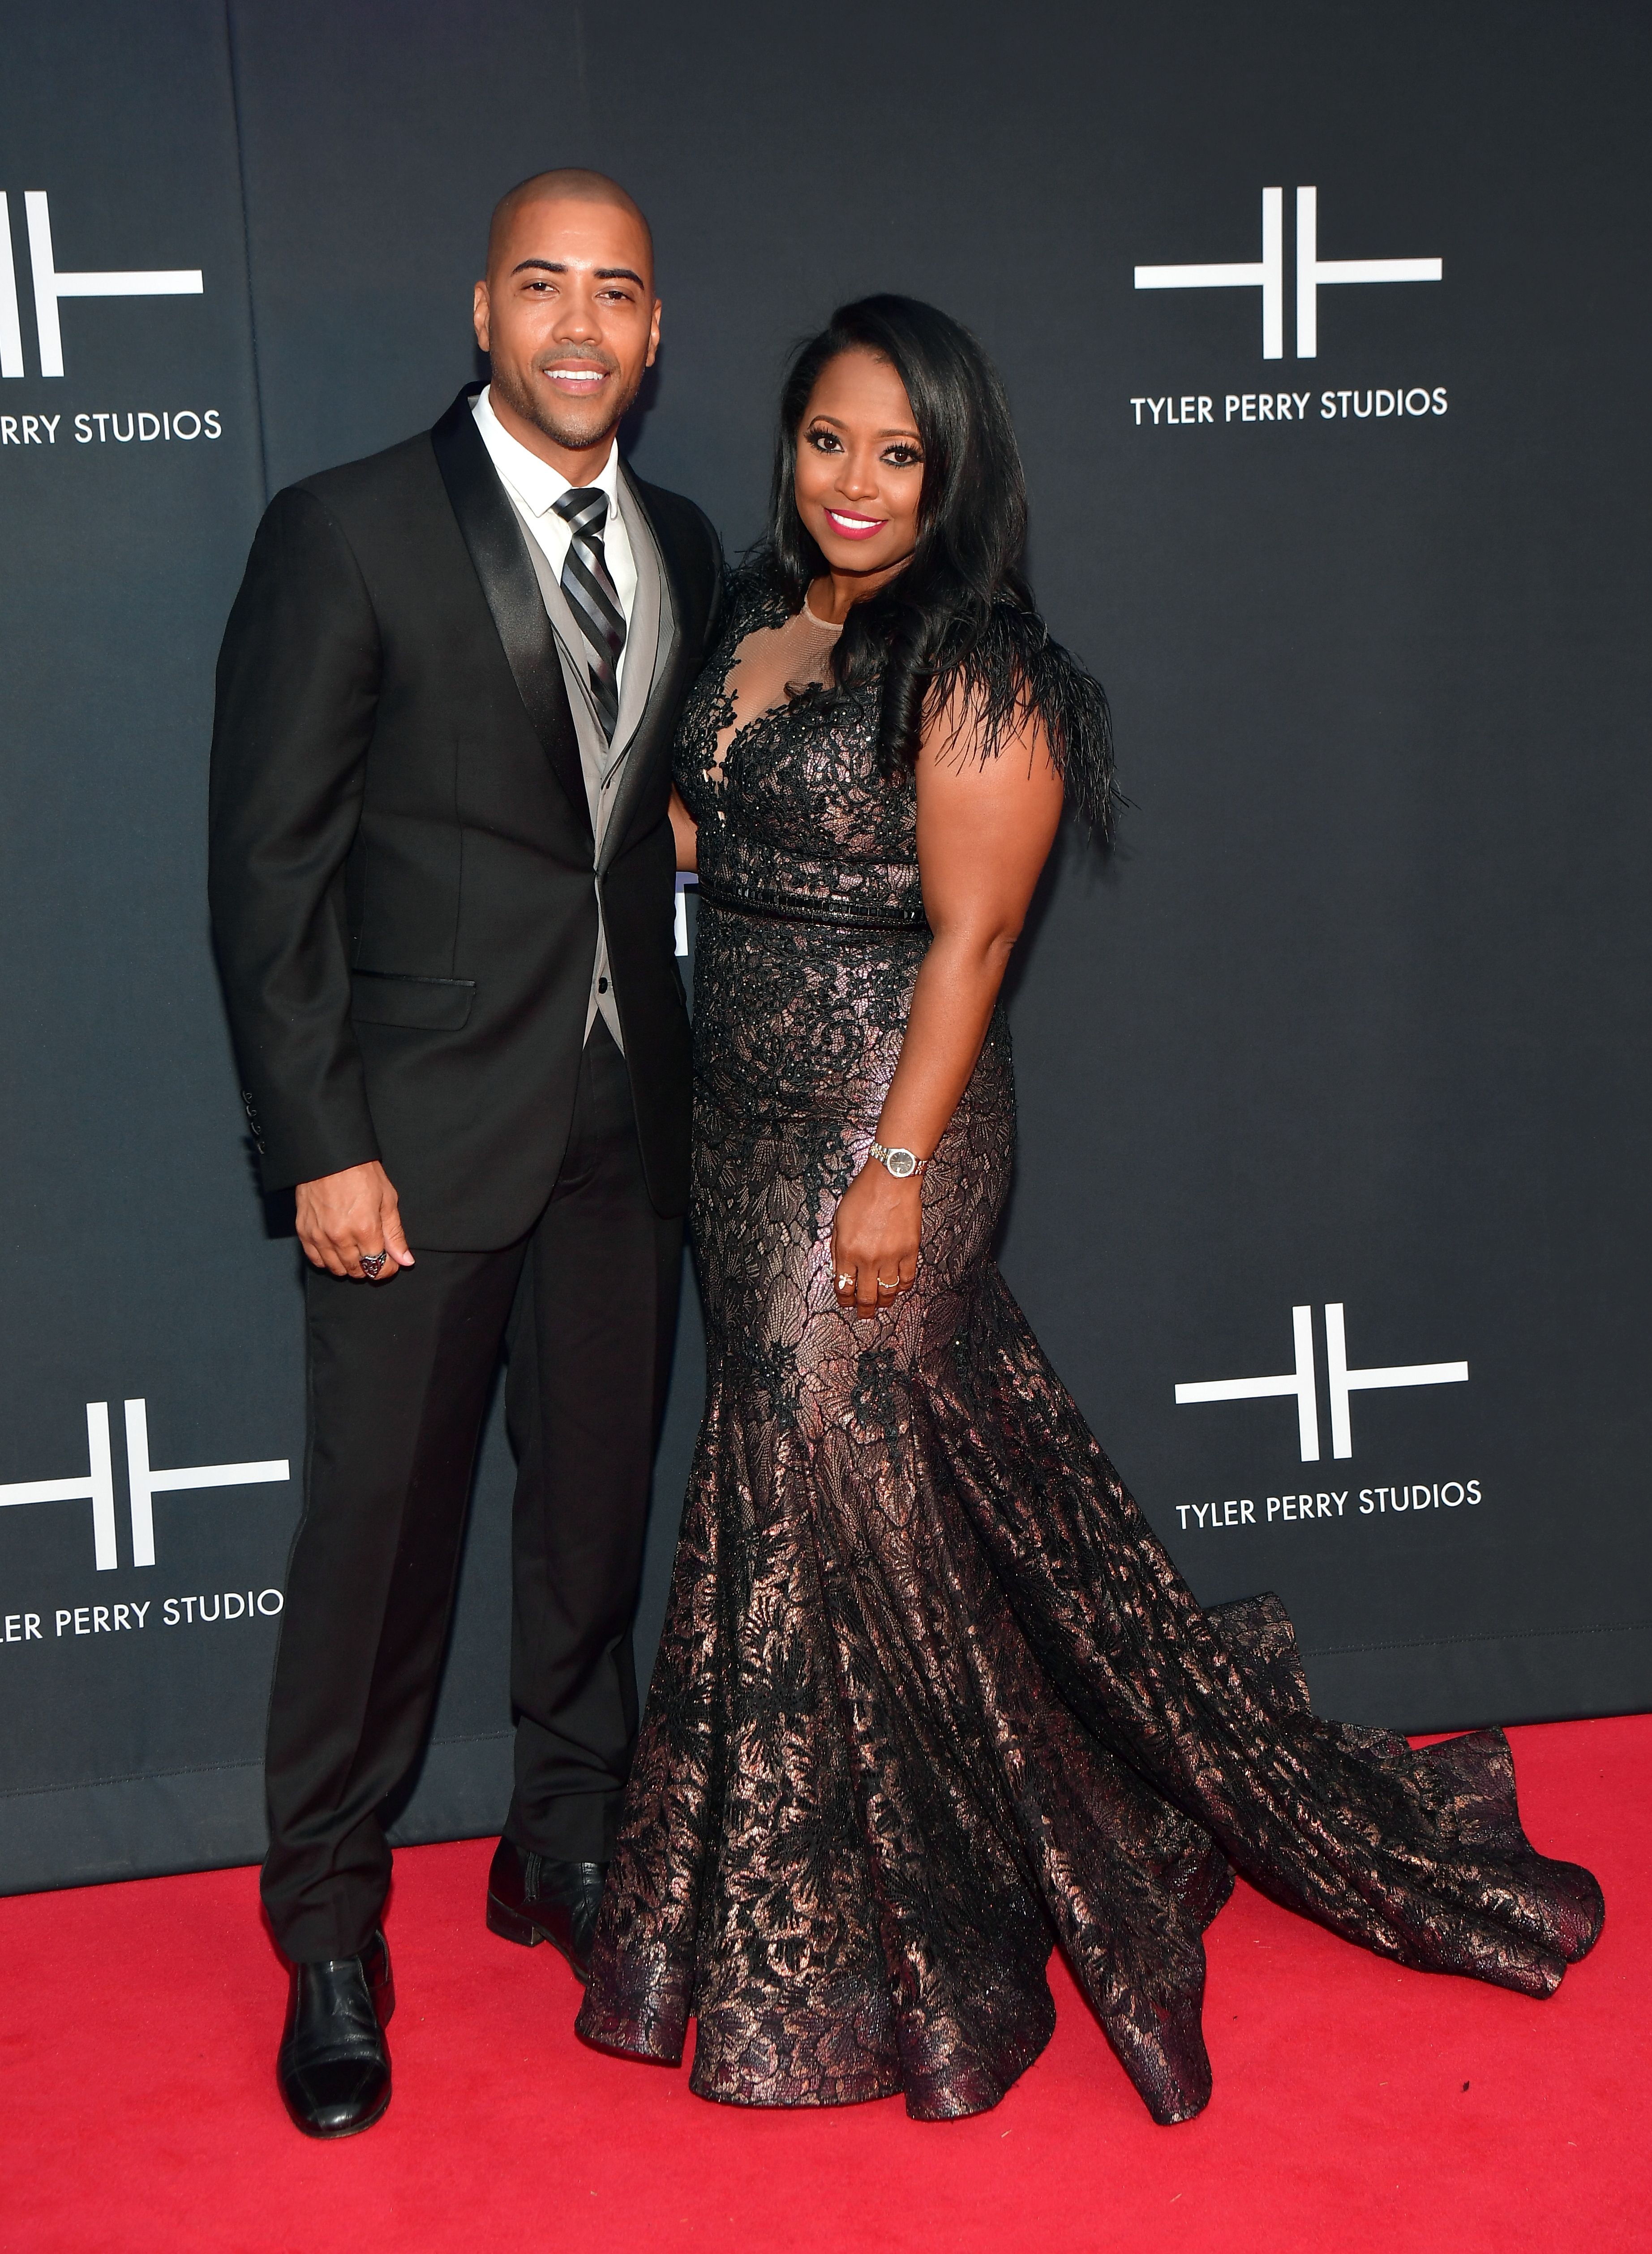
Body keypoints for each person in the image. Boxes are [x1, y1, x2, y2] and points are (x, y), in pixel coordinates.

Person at [575, 296, 1603, 2123]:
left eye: (899, 452)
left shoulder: (982, 674)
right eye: (829, 440)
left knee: (837, 1461)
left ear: (953, 470)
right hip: (735, 1126)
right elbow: (703, 824)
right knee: (799, 1483)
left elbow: (968, 945)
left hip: (885, 1130)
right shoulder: (753, 612)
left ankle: (945, 1901)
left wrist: (888, 1172)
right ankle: (819, 1863)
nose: (857, 482)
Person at [209, 169, 723, 2138]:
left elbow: (629, 814)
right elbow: (267, 876)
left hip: (623, 1125)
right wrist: (319, 1144)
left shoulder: (677, 537)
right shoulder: (340, 532)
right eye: (543, 286)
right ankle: (330, 1928)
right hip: (409, 1151)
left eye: (618, 292)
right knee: (375, 1553)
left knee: (591, 1514)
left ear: (656, 331)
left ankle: (559, 1844)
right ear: (482, 313)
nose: (582, 324)